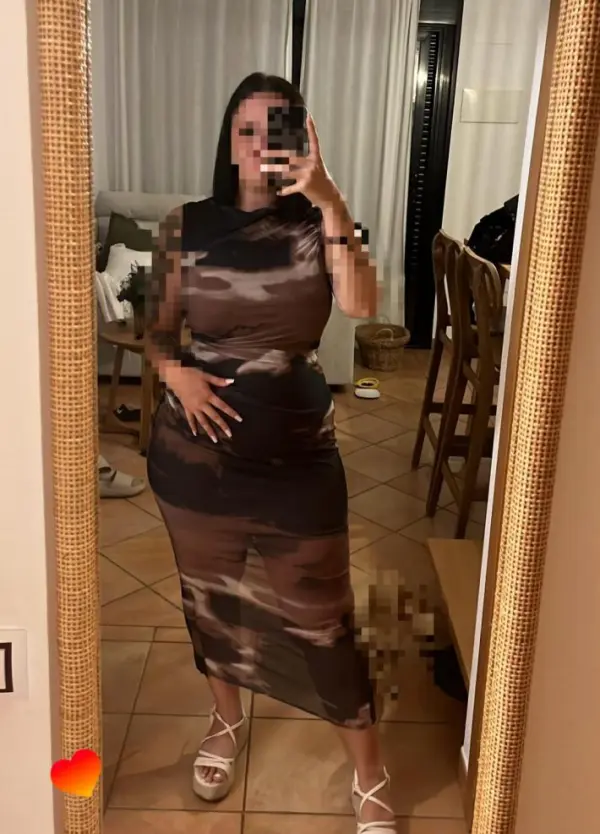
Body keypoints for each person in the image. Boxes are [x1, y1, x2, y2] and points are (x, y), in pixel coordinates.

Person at [145, 73, 394, 833]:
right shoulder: (185, 225)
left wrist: (329, 197)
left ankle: (369, 771)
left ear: (302, 139)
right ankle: (225, 719)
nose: (259, 145)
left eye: (276, 129)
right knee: (210, 601)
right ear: (229, 142)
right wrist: (176, 375)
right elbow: (157, 332)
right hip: (195, 461)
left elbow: (363, 305)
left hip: (297, 459)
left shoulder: (320, 223)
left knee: (324, 619)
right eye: (246, 130)